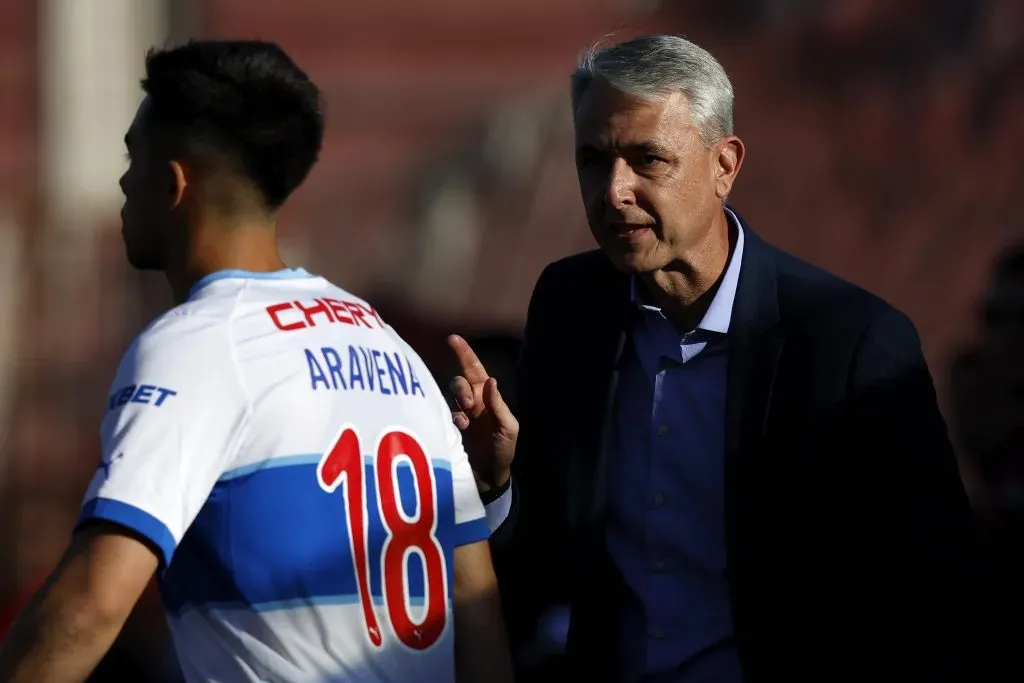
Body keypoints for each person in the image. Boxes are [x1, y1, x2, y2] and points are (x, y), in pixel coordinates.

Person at [449, 34, 982, 682]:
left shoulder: (848, 342)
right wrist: (498, 484)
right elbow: (545, 563)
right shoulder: (571, 308)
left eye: (648, 159)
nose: (615, 189)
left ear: (724, 165)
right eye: (593, 160)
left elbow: (936, 592)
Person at [0, 40, 512, 683]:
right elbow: (479, 617)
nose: (124, 181)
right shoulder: (394, 350)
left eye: (134, 156)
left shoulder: (199, 343)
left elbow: (91, 606)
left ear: (174, 182)